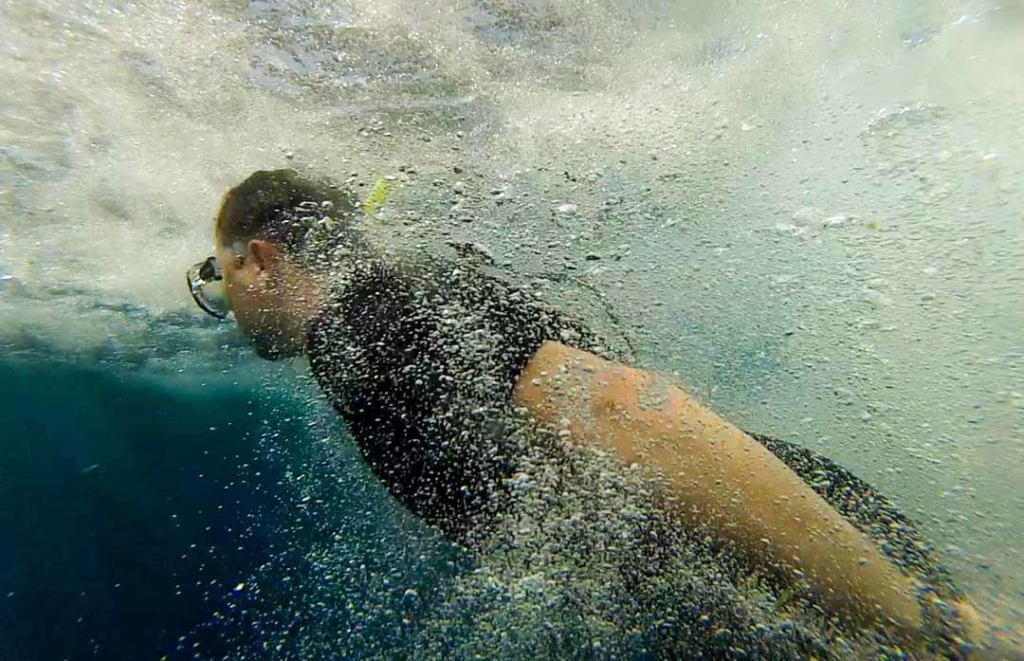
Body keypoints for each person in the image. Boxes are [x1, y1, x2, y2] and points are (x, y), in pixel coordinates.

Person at [187, 168, 1013, 659]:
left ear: (258, 257)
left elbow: (627, 412)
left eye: (215, 275)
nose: (222, 300)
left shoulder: (373, 315)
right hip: (805, 559)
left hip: (823, 568)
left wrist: (917, 629)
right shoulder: (377, 315)